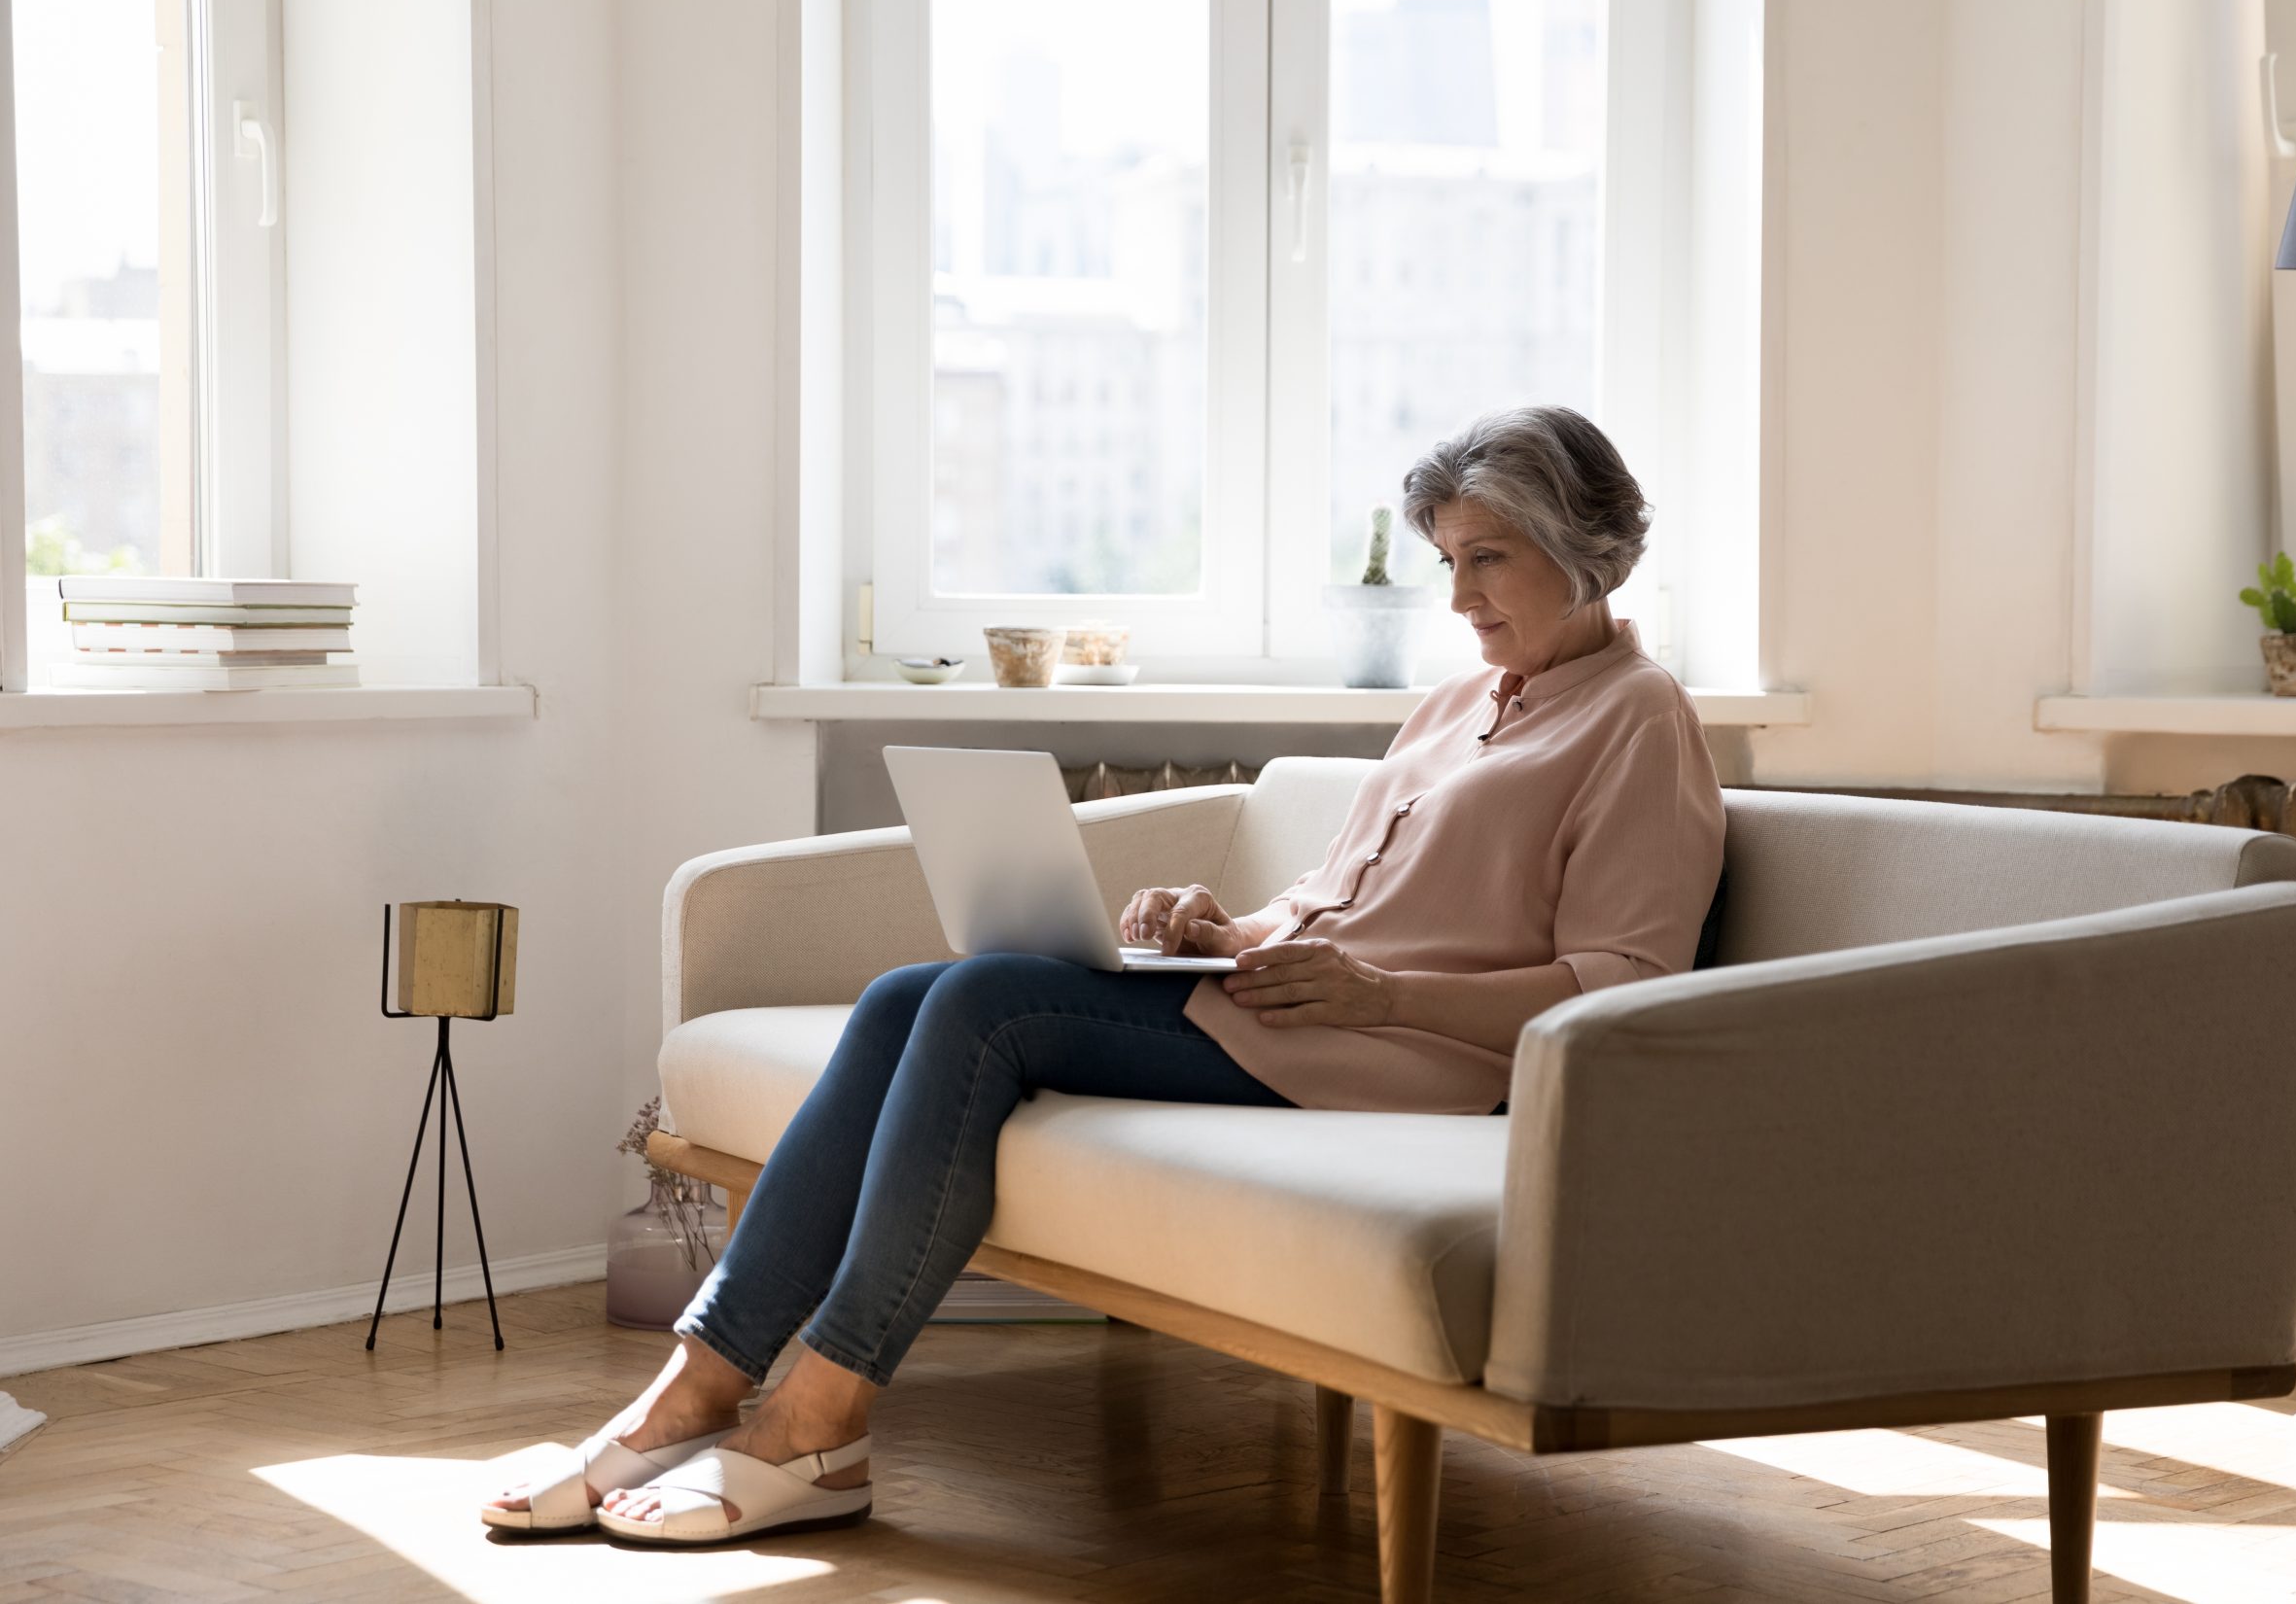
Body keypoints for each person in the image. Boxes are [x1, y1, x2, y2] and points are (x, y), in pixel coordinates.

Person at [483, 403, 1726, 1544]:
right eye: (1447, 560)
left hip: (1403, 1060)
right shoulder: (1458, 703)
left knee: (980, 1002)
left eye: (1487, 558)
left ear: (1588, 548)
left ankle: (820, 1417)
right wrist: (1221, 926)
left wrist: (1380, 997)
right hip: (1293, 1012)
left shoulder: (1639, 720)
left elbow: (1622, 981)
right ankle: (695, 1388)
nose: (1457, 595)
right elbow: (1342, 902)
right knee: (908, 992)